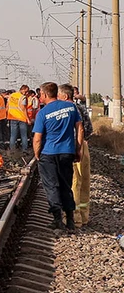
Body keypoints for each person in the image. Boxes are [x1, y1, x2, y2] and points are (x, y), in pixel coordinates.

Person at [32, 82, 83, 231]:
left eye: (40, 94)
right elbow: (79, 129)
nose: (40, 97)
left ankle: (57, 220)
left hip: (49, 154)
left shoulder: (42, 113)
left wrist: (37, 154)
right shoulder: (71, 107)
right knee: (66, 185)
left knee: (52, 186)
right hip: (67, 152)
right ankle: (71, 220)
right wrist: (78, 149)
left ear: (46, 94)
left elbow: (37, 138)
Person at [60, 84, 92, 226]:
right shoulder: (80, 108)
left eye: (59, 95)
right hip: (83, 145)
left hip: (72, 146)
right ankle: (84, 217)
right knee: (84, 181)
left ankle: (73, 217)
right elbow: (89, 128)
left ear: (65, 96)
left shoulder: (64, 110)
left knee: (73, 181)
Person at [7, 85, 31, 157]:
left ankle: (12, 150)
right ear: (22, 89)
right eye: (26, 91)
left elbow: (7, 106)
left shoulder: (11, 96)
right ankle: (24, 150)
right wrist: (28, 119)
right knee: (24, 135)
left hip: (13, 117)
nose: (26, 93)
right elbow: (24, 109)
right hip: (21, 118)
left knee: (13, 135)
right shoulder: (22, 97)